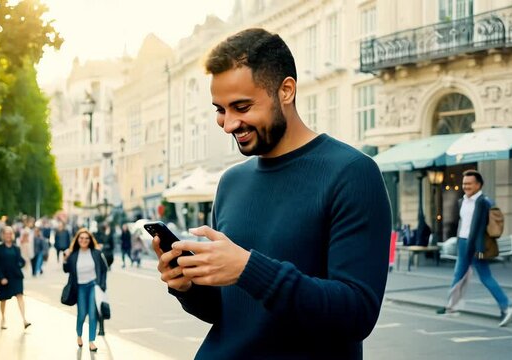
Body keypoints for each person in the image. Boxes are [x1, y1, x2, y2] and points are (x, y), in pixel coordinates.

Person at [151, 28, 391, 359]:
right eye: (220, 109)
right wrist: (187, 287)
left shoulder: (352, 173)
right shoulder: (230, 183)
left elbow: (356, 314)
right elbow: (230, 312)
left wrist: (249, 269)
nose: (228, 123)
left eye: (242, 106)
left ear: (286, 91)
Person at [436, 170, 512, 327]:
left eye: (469, 183)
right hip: (463, 242)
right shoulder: (462, 201)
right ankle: (451, 307)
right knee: (458, 274)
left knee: (485, 277)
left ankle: (507, 306)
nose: (466, 186)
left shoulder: (482, 202)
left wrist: (478, 248)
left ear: (479, 185)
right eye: (464, 183)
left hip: (475, 245)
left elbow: (479, 228)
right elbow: (464, 223)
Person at [62, 228, 108, 352]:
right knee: (82, 314)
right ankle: (79, 335)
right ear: (77, 240)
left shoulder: (96, 253)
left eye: (87, 238)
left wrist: (102, 285)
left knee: (93, 314)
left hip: (93, 285)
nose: (84, 240)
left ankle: (91, 341)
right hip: (80, 287)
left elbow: (104, 269)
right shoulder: (73, 254)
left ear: (90, 240)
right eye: (81, 238)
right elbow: (66, 270)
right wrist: (65, 259)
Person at [0, 226, 31, 330]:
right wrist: (1, 277)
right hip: (5, 278)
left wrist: (22, 264)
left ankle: (24, 320)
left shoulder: (16, 248)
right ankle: (3, 318)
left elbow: (20, 260)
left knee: (20, 296)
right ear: (3, 235)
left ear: (12, 235)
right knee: (3, 299)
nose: (8, 235)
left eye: (10, 233)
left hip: (16, 277)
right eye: (6, 233)